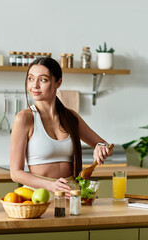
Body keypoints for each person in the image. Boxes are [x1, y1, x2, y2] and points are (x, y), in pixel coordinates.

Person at [10, 57, 113, 197]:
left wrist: (100, 146)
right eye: (31, 79)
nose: (35, 86)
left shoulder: (71, 117)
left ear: (58, 83)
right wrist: (51, 186)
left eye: (43, 80)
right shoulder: (24, 119)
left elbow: (105, 146)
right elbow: (15, 173)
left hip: (70, 192)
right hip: (39, 194)